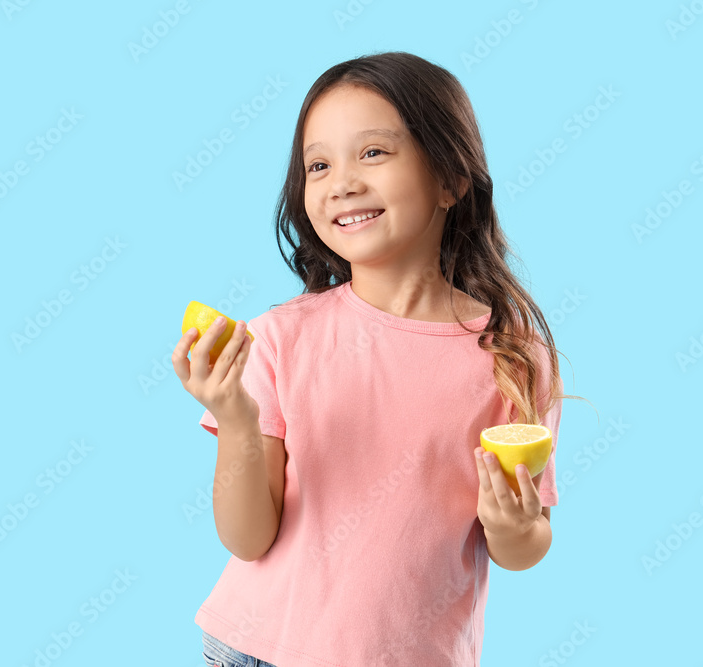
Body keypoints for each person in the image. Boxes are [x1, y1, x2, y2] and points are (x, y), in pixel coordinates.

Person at [172, 50, 585, 667]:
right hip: (258, 651)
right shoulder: (279, 339)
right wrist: (234, 419)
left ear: (451, 179)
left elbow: (521, 549)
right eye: (318, 164)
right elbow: (247, 538)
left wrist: (516, 525)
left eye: (372, 153)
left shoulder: (512, 356)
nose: (342, 181)